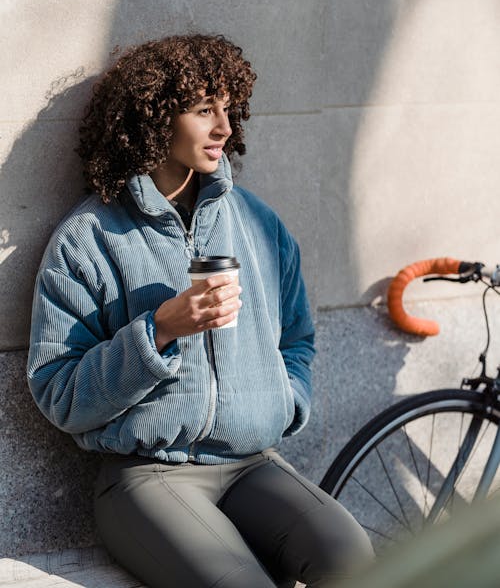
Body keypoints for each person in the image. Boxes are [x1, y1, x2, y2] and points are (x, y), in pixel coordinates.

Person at [28, 35, 372, 588]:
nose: (225, 127)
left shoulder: (259, 224)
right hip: (149, 475)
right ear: (155, 118)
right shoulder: (88, 239)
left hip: (253, 463)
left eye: (229, 108)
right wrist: (160, 329)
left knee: (353, 559)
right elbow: (57, 391)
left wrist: (286, 400)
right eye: (204, 109)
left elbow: (300, 338)